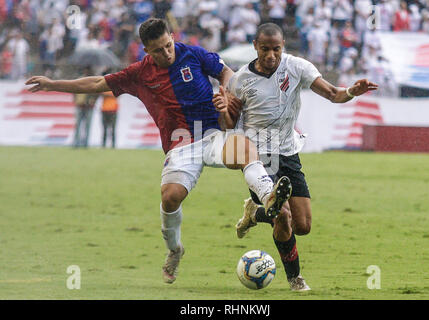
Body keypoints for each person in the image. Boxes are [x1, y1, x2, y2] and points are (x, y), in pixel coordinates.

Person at [25, 18, 292, 285]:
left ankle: (269, 197)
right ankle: (174, 250)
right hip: (181, 144)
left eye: (168, 45)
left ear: (172, 37)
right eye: (158, 50)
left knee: (244, 149)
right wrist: (52, 84)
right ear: (146, 51)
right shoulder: (139, 73)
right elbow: (97, 83)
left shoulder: (193, 53)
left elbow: (225, 72)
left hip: (213, 133)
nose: (166, 53)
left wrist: (229, 93)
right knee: (170, 197)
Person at [213, 23, 378, 291]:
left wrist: (351, 91)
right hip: (260, 156)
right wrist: (222, 109)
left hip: (289, 151)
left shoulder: (297, 67)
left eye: (276, 49)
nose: (270, 55)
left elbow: (333, 94)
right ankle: (295, 279)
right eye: (265, 49)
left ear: (282, 47)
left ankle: (256, 213)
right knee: (283, 216)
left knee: (303, 226)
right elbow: (230, 124)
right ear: (255, 45)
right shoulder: (240, 80)